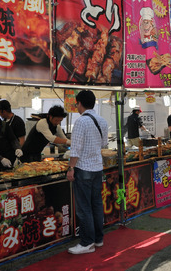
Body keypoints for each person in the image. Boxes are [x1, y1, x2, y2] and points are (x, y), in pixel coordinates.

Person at [66, 90, 109, 254]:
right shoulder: (102, 121)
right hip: (97, 168)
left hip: (83, 169)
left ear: (79, 103)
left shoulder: (81, 122)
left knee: (84, 208)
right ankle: (98, 239)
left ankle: (87, 243)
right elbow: (104, 144)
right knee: (97, 205)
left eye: (76, 104)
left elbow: (75, 149)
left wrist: (71, 168)